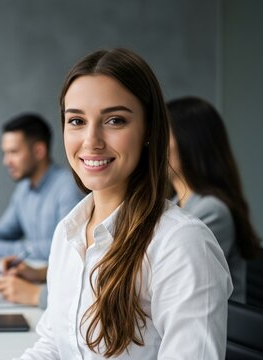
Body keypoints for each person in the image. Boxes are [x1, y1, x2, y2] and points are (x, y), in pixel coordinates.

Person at [18, 49, 232, 359]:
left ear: (148, 130)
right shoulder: (68, 233)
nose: (91, 140)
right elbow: (53, 345)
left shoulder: (181, 243)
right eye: (76, 120)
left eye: (114, 120)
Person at [167, 96, 260, 303]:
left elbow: (168, 279)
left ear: (189, 142)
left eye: (163, 137)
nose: (153, 148)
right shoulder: (172, 205)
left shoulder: (212, 211)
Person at [0, 113, 83, 262]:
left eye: (13, 152)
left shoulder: (68, 187)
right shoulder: (24, 188)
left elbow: (66, 247)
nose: (6, 161)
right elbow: (6, 229)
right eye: (5, 153)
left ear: (39, 151)